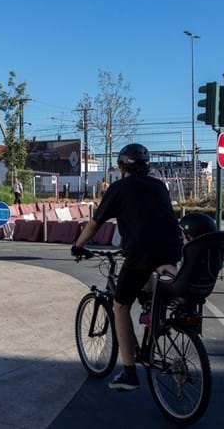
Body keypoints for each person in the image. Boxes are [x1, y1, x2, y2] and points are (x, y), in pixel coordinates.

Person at [72, 143, 183, 392]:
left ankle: (130, 373)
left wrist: (78, 246)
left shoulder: (120, 188)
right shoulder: (159, 186)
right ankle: (153, 318)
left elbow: (95, 223)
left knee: (120, 305)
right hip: (171, 250)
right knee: (152, 284)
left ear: (123, 166)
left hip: (141, 253)